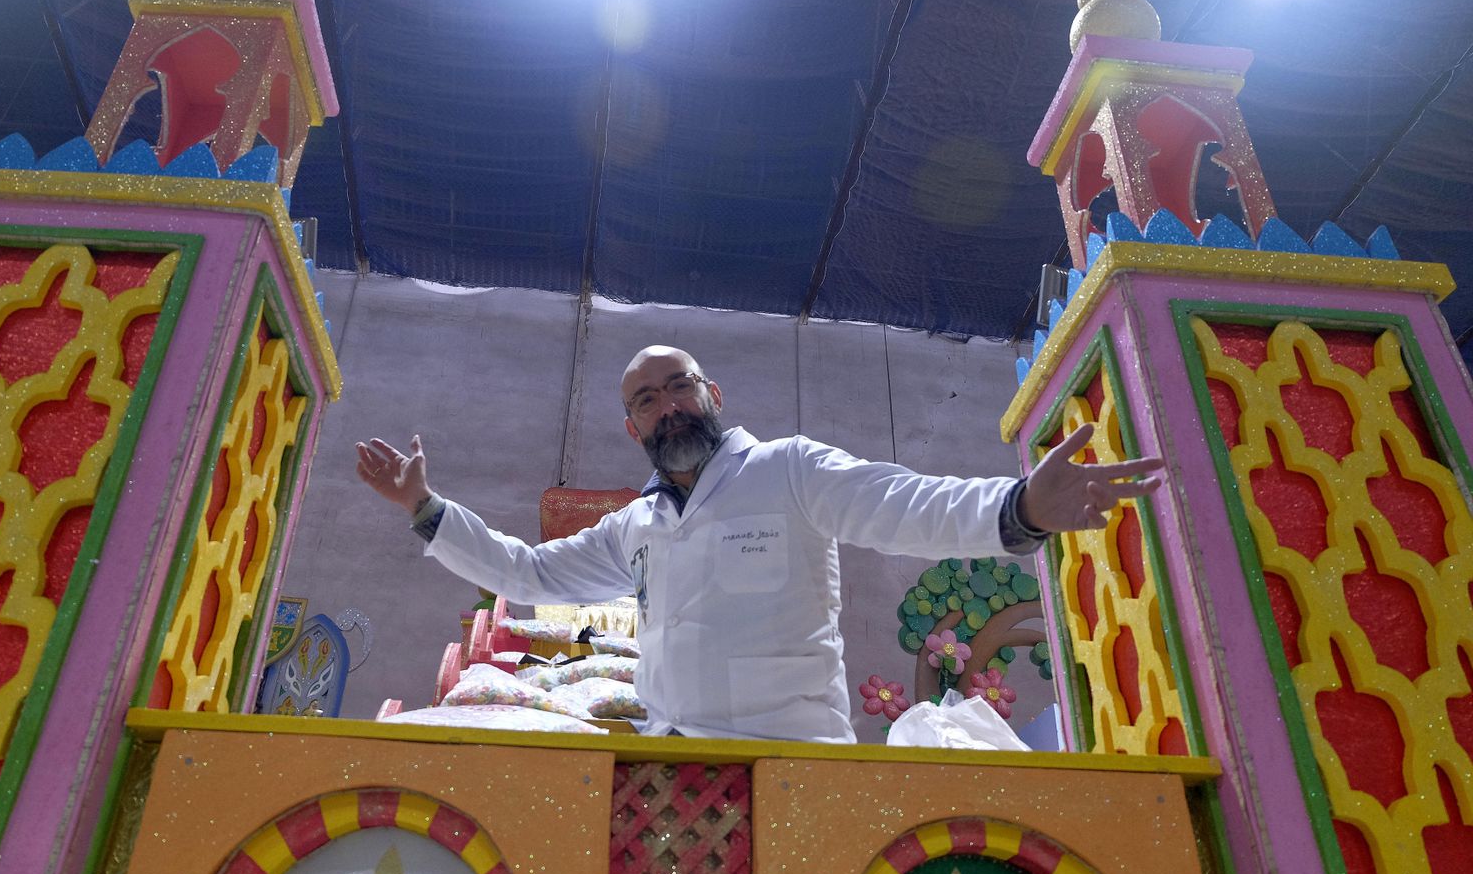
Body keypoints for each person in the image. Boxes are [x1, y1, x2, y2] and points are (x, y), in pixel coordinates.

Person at [356, 345, 1161, 742]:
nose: (666, 405)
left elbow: (904, 503)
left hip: (796, 756)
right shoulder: (637, 525)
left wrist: (1019, 508)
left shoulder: (789, 469)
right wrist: (425, 507)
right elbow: (529, 571)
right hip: (676, 763)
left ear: (712, 394)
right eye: (646, 398)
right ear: (630, 425)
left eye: (678, 386)